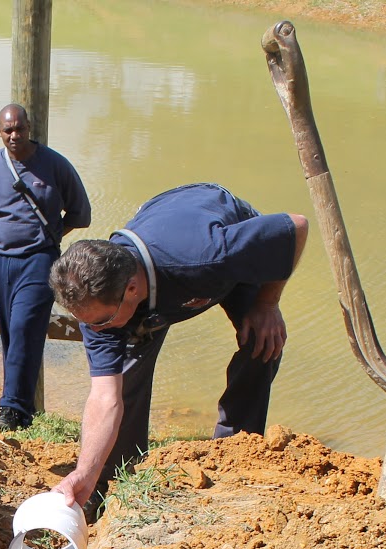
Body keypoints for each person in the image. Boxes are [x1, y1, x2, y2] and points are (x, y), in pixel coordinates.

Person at [47, 183, 308, 515]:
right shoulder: (95, 301)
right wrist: (84, 471)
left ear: (131, 290)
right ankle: (115, 481)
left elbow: (295, 226)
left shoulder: (209, 254)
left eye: (101, 322)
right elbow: (104, 397)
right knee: (125, 377)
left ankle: (232, 456)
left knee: (263, 340)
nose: (95, 331)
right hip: (159, 265)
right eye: (88, 323)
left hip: (217, 259)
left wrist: (268, 303)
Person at [0, 104, 91, 432]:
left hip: (40, 260)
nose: (14, 136)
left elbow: (80, 214)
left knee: (24, 327)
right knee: (10, 333)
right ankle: (24, 409)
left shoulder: (54, 165)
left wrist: (48, 236)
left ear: (29, 127)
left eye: (19, 128)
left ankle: (10, 409)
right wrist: (4, 236)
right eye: (8, 130)